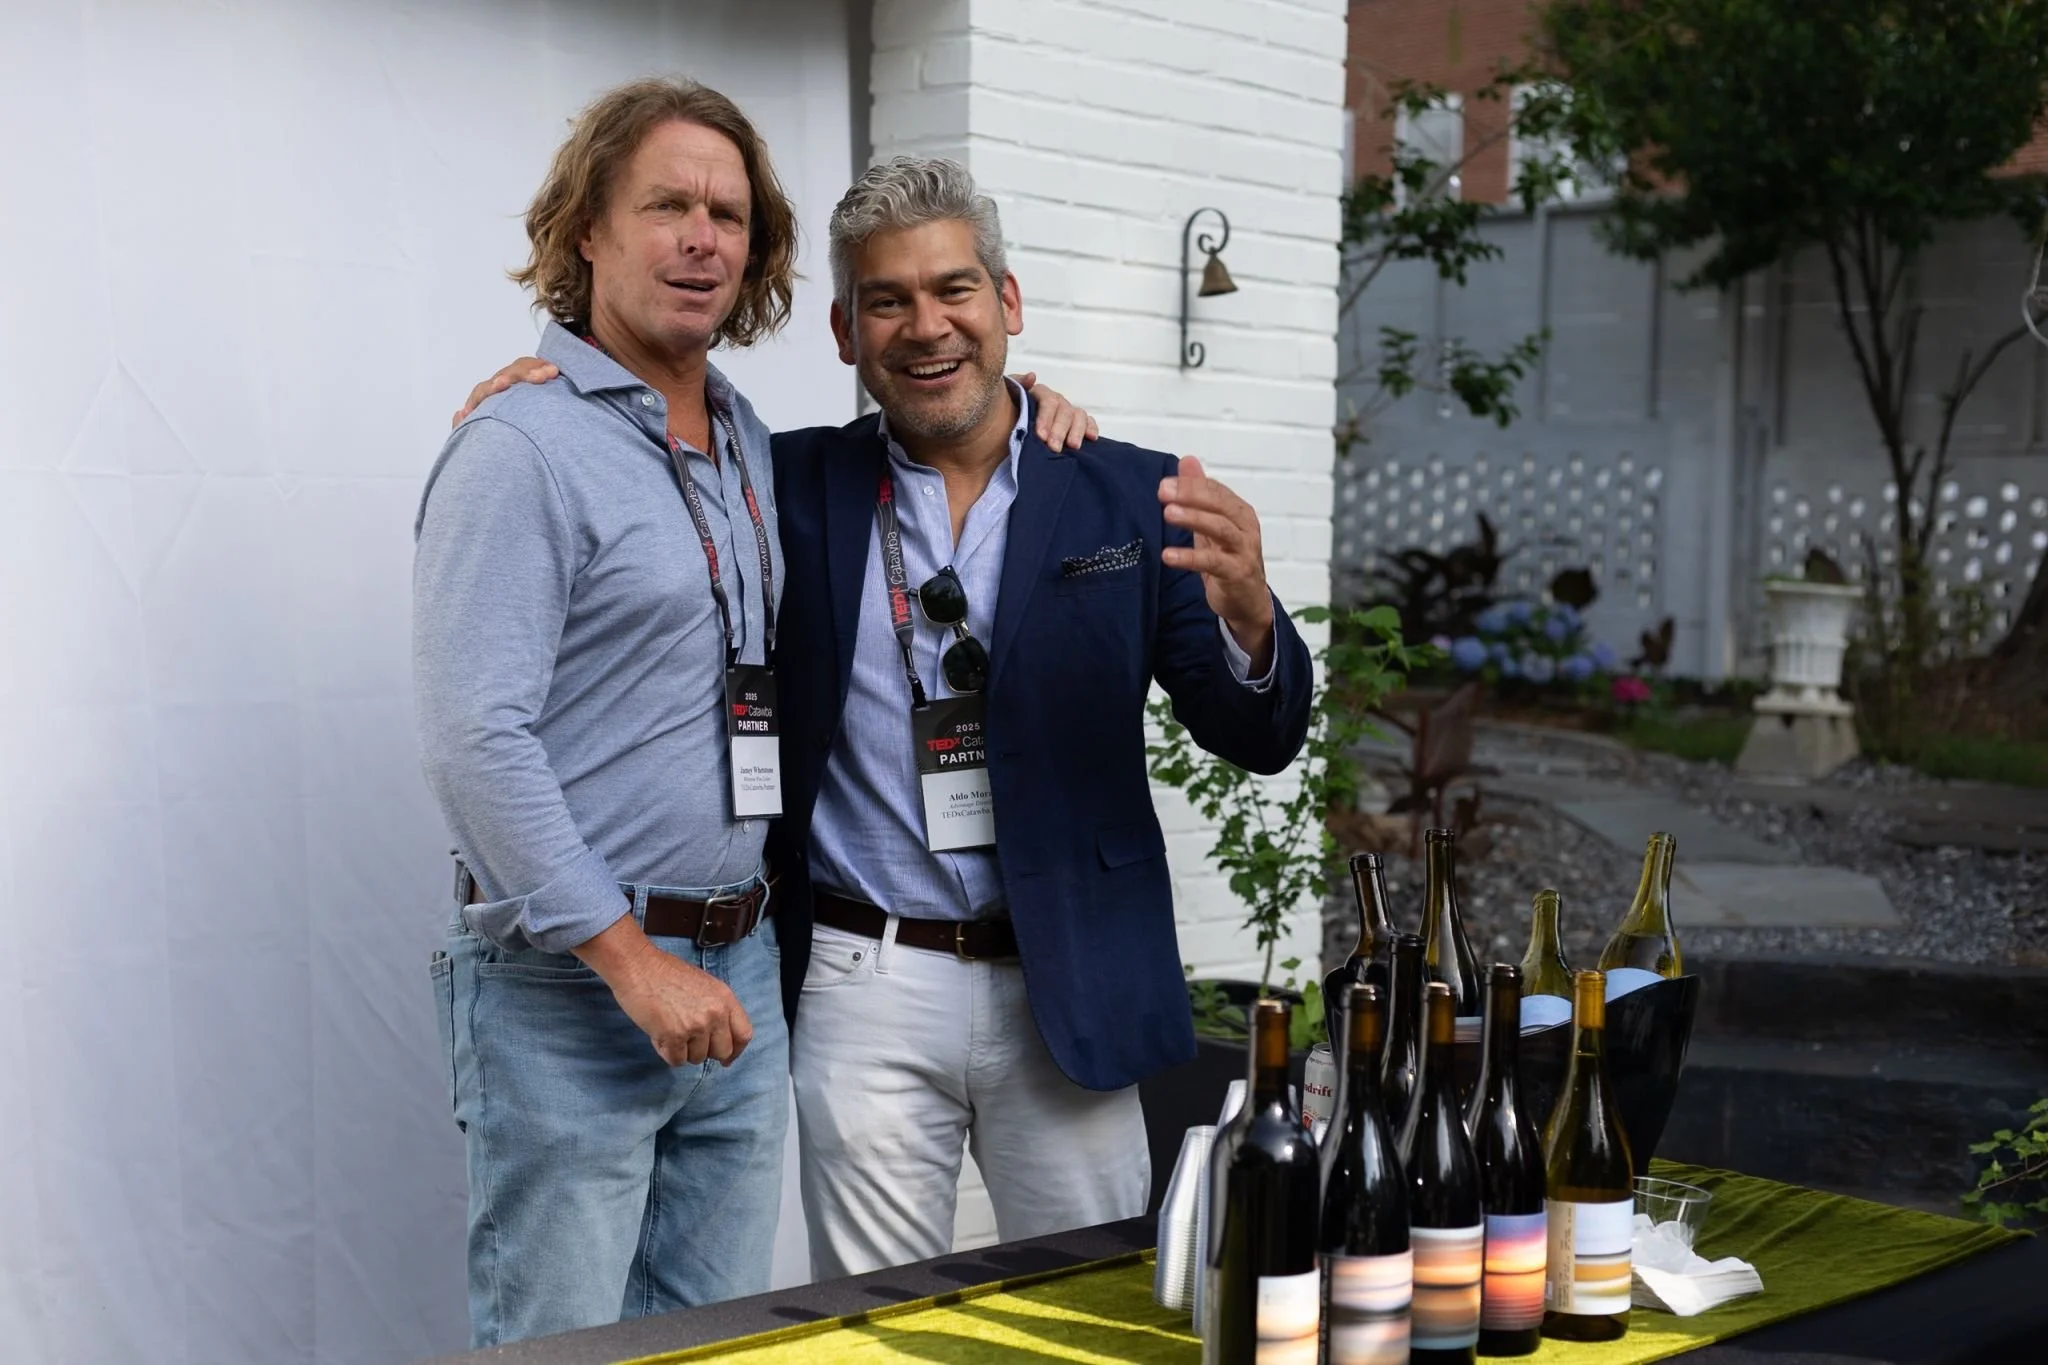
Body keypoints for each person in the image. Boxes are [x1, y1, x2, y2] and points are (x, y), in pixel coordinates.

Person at [453, 158, 1309, 1280]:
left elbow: (1259, 737)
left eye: (953, 290)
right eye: (886, 301)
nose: (925, 326)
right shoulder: (783, 481)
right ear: (844, 332)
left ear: (1006, 305)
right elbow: (653, 429)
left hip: (1071, 981)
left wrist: (1250, 616)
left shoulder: (1127, 496)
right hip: (864, 979)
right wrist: (550, 387)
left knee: (1087, 1306)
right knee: (873, 1324)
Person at [419, 85, 1091, 1346]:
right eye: (664, 205)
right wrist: (629, 963)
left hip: (737, 973)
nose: (700, 237)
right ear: (586, 237)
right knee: (564, 1344)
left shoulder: (740, 439)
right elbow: (473, 740)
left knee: (717, 1341)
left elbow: (941, 408)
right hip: (576, 988)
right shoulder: (519, 450)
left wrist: (1031, 402)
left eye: (725, 212)